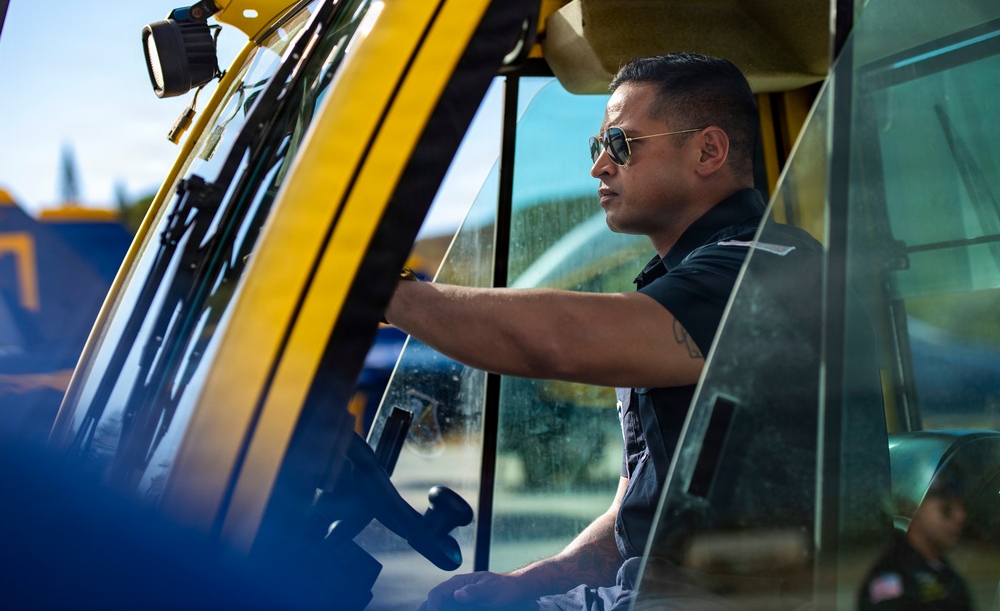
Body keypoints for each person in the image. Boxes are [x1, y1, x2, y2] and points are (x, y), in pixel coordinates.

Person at [384, 52, 818, 610]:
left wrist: (386, 291)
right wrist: (533, 580)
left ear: (709, 151)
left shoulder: (764, 270)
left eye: (621, 145)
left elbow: (561, 340)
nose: (599, 167)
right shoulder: (684, 283)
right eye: (597, 147)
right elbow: (632, 514)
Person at [858, 469, 973, 610]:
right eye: (946, 509)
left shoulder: (945, 573)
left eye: (961, 505)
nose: (961, 517)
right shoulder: (895, 580)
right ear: (911, 510)